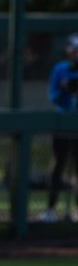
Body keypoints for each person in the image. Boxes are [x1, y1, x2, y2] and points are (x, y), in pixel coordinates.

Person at [40, 33, 78, 222]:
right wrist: (65, 89)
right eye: (74, 50)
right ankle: (50, 209)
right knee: (57, 166)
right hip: (63, 124)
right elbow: (53, 95)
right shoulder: (60, 69)